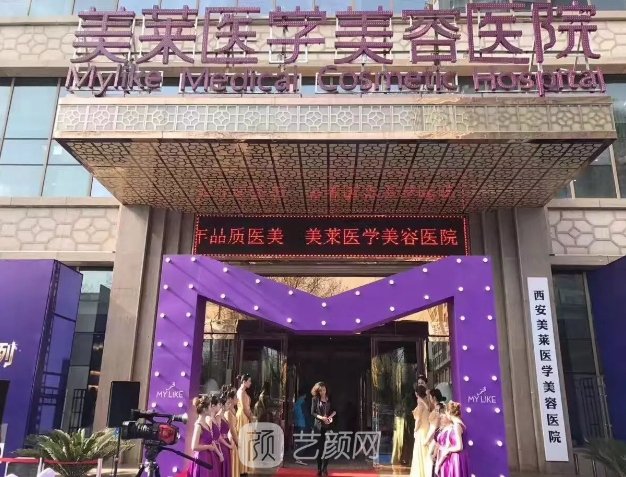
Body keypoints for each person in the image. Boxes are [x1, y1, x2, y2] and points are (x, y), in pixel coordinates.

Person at [188, 395, 223, 477]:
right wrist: (208, 447)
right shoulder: (198, 425)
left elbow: (211, 441)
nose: (211, 409)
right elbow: (194, 447)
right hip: (202, 458)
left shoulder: (206, 424)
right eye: (209, 406)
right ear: (204, 409)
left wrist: (219, 454)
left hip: (209, 457)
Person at [434, 402, 469, 477]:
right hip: (459, 457)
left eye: (446, 413)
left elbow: (459, 447)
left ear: (449, 412)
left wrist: (448, 449)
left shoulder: (456, 425)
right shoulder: (459, 424)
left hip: (456, 458)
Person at [311, 382, 335, 477]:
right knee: (320, 449)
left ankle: (325, 468)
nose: (323, 392)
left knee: (327, 447)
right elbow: (312, 412)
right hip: (319, 426)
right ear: (318, 391)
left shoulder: (330, 398)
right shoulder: (315, 399)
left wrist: (330, 418)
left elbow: (334, 410)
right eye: (320, 391)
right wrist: (322, 418)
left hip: (328, 426)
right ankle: (319, 468)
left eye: (324, 390)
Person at [410, 384, 430, 477]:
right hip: (427, 428)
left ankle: (420, 473)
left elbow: (418, 420)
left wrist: (415, 430)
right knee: (424, 450)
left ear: (416, 394)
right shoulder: (426, 403)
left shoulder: (421, 405)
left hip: (421, 429)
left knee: (419, 451)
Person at [236, 374, 254, 476]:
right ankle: (241, 468)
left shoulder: (243, 392)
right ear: (244, 381)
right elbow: (244, 408)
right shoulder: (241, 392)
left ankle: (244, 468)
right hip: (243, 417)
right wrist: (251, 418)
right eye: (249, 381)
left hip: (245, 416)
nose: (250, 383)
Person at [216, 393, 234, 477]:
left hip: (227, 443)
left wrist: (231, 441)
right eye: (227, 403)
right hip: (222, 445)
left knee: (227, 466)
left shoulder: (224, 416)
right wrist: (228, 445)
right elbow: (218, 436)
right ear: (222, 405)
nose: (229, 405)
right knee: (223, 467)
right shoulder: (218, 417)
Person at [223, 388, 240, 477]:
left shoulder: (233, 410)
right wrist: (237, 442)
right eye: (236, 397)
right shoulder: (228, 412)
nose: (237, 399)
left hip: (235, 436)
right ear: (231, 399)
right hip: (231, 438)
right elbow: (232, 429)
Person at [293, 390, 309, 466]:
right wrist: (311, 425)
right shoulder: (303, 403)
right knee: (304, 442)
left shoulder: (296, 403)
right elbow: (306, 415)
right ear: (304, 395)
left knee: (300, 442)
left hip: (297, 424)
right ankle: (298, 458)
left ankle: (297, 457)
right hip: (303, 424)